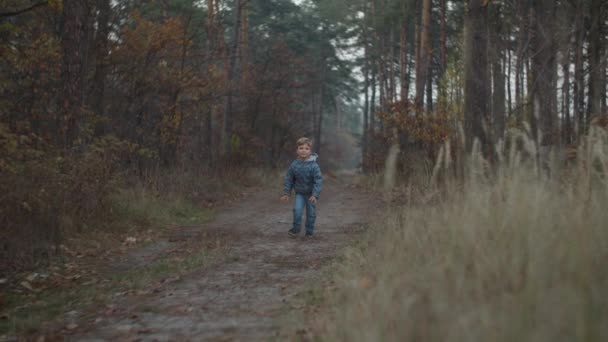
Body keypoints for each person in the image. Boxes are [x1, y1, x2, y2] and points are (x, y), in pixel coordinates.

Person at [281, 137, 323, 238]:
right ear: (297, 151)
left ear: (310, 151)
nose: (304, 150)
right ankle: (295, 229)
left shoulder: (314, 166)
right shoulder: (294, 165)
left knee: (311, 213)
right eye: (301, 148)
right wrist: (287, 193)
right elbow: (289, 179)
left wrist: (315, 194)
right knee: (297, 210)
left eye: (306, 148)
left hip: (311, 195)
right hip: (299, 193)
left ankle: (309, 232)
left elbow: (318, 181)